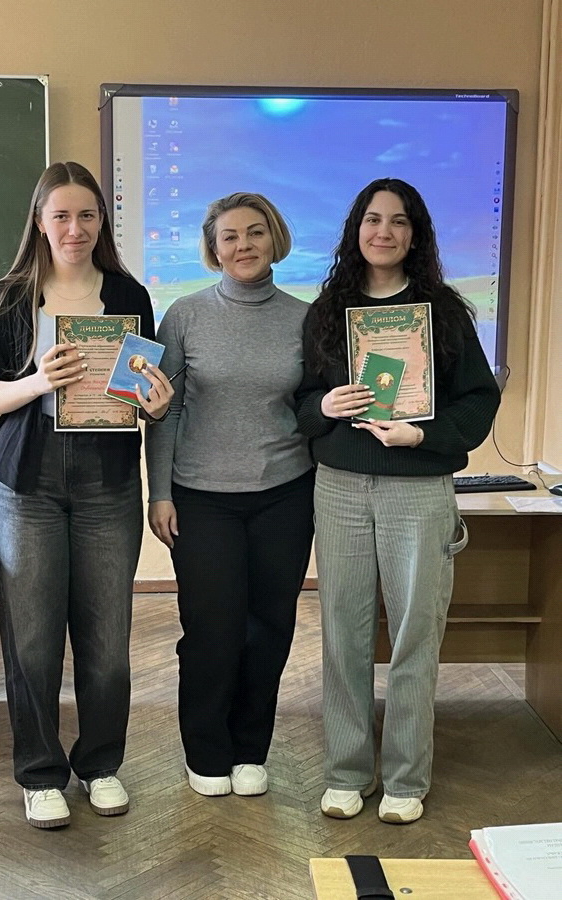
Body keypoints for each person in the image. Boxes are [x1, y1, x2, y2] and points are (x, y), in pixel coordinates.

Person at [0, 161, 173, 829]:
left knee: (107, 641)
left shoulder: (128, 295)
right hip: (25, 484)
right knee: (31, 642)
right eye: (61, 215)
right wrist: (37, 381)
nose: (75, 228)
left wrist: (155, 403)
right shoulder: (9, 297)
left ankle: (101, 765)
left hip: (107, 486)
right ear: (39, 222)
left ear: (101, 222)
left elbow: (137, 394)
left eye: (87, 215)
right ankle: (39, 774)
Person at [296, 178, 500, 824]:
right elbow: (299, 402)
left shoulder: (443, 313)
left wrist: (422, 435)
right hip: (339, 488)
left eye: (399, 221)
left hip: (418, 489)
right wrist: (325, 406)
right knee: (344, 633)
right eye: (372, 219)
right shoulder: (327, 311)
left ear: (416, 235)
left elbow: (479, 400)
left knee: (415, 634)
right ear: (355, 229)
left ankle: (407, 779)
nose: (383, 231)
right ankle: (347, 772)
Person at [146, 192, 315, 798]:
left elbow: (313, 407)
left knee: (269, 628)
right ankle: (206, 753)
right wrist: (158, 493)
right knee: (211, 630)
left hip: (285, 494)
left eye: (255, 232)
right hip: (201, 497)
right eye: (230, 236)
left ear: (275, 239)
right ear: (213, 249)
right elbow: (162, 410)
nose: (244, 245)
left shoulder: (306, 319)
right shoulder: (184, 316)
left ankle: (250, 751)